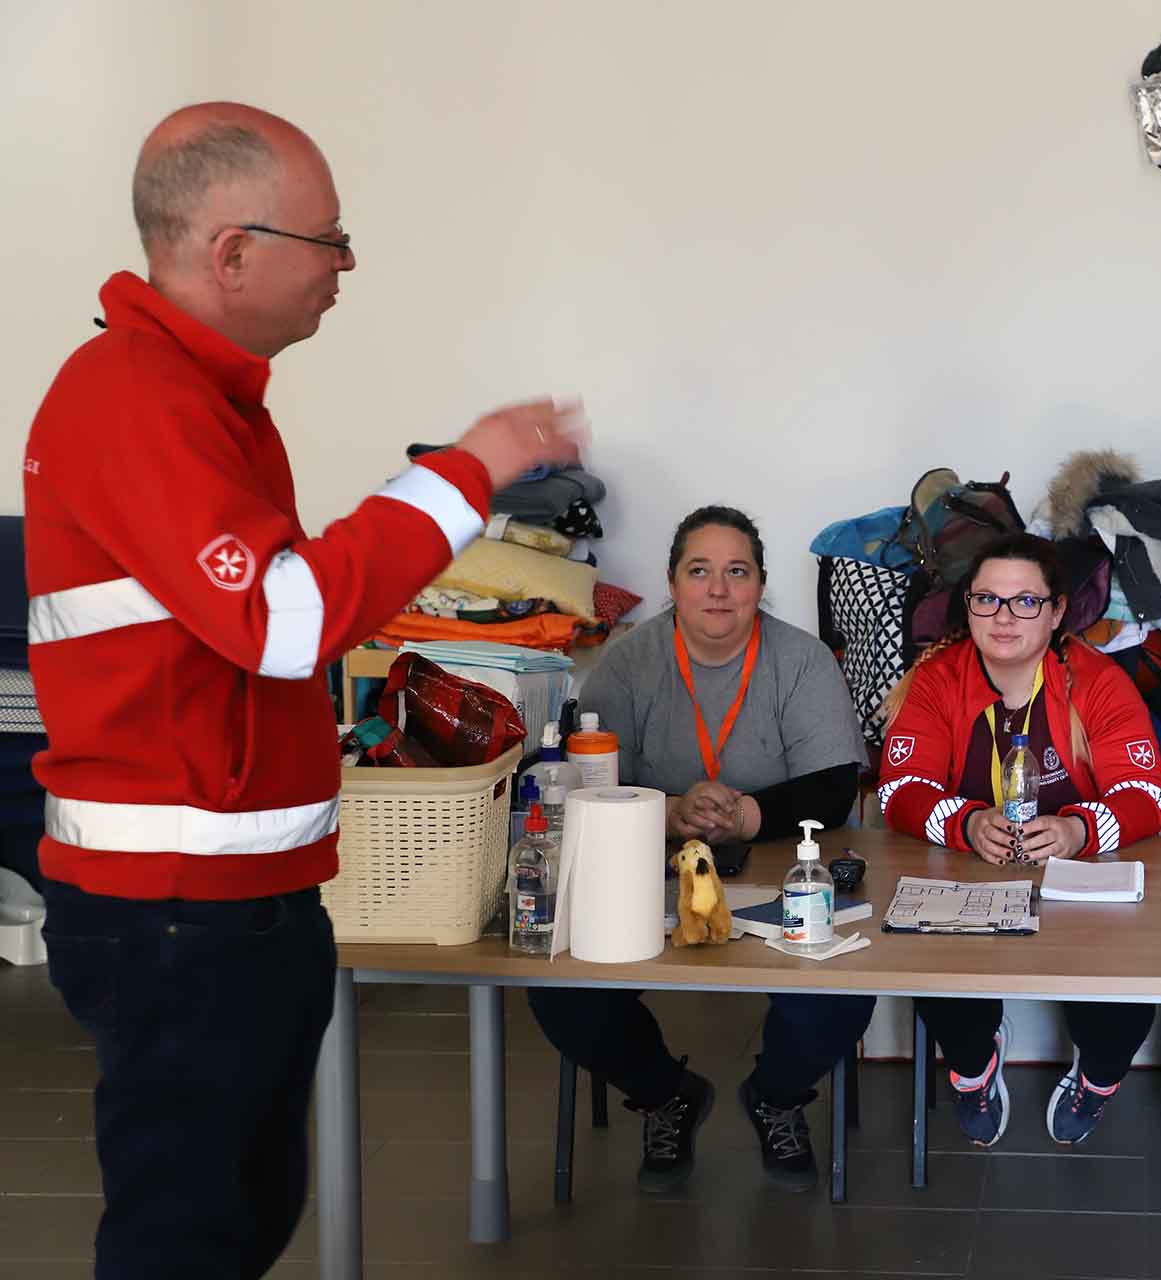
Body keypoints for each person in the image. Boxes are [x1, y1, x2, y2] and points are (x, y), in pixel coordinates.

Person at [22, 103, 581, 1279]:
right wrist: (465, 471)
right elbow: (285, 618)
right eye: (329, 240)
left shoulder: (204, 397)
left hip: (239, 901)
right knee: (186, 1235)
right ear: (232, 252)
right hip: (176, 915)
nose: (347, 264)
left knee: (243, 1210)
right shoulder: (133, 396)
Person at [527, 506, 872, 1193]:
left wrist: (747, 814)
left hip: (779, 867)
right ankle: (666, 1095)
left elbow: (835, 790)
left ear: (761, 585)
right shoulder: (630, 659)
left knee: (841, 993)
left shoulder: (800, 659)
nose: (719, 589)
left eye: (737, 572)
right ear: (672, 583)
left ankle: (775, 1096)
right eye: (700, 571)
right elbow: (587, 776)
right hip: (650, 864)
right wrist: (671, 812)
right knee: (560, 991)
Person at [875, 532, 1161, 1148]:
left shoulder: (1098, 680)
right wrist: (965, 823)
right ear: (968, 607)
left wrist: (1077, 829)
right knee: (937, 974)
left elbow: (1148, 795)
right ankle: (973, 1065)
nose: (1004, 618)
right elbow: (897, 789)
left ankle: (1098, 1076)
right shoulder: (935, 679)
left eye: (1025, 602)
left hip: (1081, 877)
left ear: (1058, 610)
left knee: (1123, 993)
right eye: (987, 600)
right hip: (966, 875)